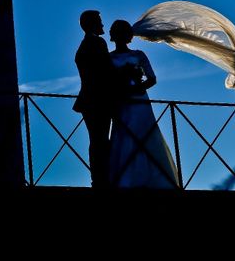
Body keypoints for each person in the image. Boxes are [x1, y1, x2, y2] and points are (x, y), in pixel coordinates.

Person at [108, 19, 179, 188]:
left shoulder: (138, 55)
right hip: (121, 100)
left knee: (144, 132)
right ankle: (125, 177)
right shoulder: (108, 58)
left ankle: (152, 177)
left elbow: (152, 78)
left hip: (139, 99)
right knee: (124, 133)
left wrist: (137, 87)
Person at [73, 10, 114, 188]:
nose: (103, 25)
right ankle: (101, 179)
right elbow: (107, 71)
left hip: (88, 100)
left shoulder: (86, 44)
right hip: (98, 99)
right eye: (100, 21)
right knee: (100, 141)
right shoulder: (97, 42)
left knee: (97, 140)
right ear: (92, 24)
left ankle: (99, 178)